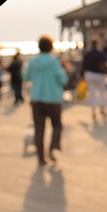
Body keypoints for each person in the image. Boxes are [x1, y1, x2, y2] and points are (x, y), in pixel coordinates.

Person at [24, 35, 68, 166]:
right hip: (53, 99)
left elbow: (26, 77)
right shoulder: (54, 62)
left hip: (37, 98)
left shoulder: (32, 61)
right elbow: (62, 79)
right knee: (57, 125)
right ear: (51, 47)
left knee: (39, 128)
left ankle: (40, 157)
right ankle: (53, 147)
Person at [82, 39, 107, 120]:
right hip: (99, 74)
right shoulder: (100, 53)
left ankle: (93, 111)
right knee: (102, 92)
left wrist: (82, 75)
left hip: (89, 74)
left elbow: (83, 65)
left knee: (92, 93)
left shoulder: (87, 54)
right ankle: (102, 109)